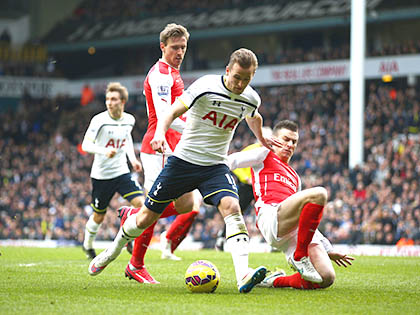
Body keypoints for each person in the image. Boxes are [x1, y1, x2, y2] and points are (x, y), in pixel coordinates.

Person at [89, 48, 278, 293]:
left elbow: (254, 116)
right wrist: (159, 134)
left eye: (247, 79)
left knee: (232, 208)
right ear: (228, 70)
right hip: (183, 161)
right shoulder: (206, 86)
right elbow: (171, 111)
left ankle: (243, 275)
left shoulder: (251, 97)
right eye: (237, 77)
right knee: (146, 217)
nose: (240, 83)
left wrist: (262, 137)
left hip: (215, 165)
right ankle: (112, 251)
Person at [228, 120, 355, 289]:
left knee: (326, 277)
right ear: (274, 140)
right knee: (320, 193)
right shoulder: (263, 154)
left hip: (293, 229)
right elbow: (232, 161)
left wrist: (328, 249)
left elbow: (307, 217)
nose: (290, 145)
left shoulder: (295, 177)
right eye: (286, 139)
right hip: (271, 216)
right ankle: (299, 256)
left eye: (294, 142)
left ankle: (273, 281)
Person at [122, 23, 199, 285]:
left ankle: (133, 217)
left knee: (188, 204)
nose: (180, 52)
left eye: (183, 47)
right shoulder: (161, 76)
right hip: (160, 147)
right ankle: (136, 265)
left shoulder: (173, 73)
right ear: (162, 46)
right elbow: (167, 116)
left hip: (173, 145)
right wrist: (197, 126)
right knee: (159, 206)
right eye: (175, 47)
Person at [81, 82, 144, 260]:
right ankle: (87, 245)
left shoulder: (129, 120)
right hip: (101, 176)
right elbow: (85, 145)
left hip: (122, 172)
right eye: (108, 99)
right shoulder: (99, 120)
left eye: (114, 99)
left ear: (123, 101)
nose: (109, 102)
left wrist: (132, 159)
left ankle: (129, 236)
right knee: (99, 216)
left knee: (141, 204)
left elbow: (126, 138)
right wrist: (103, 151)